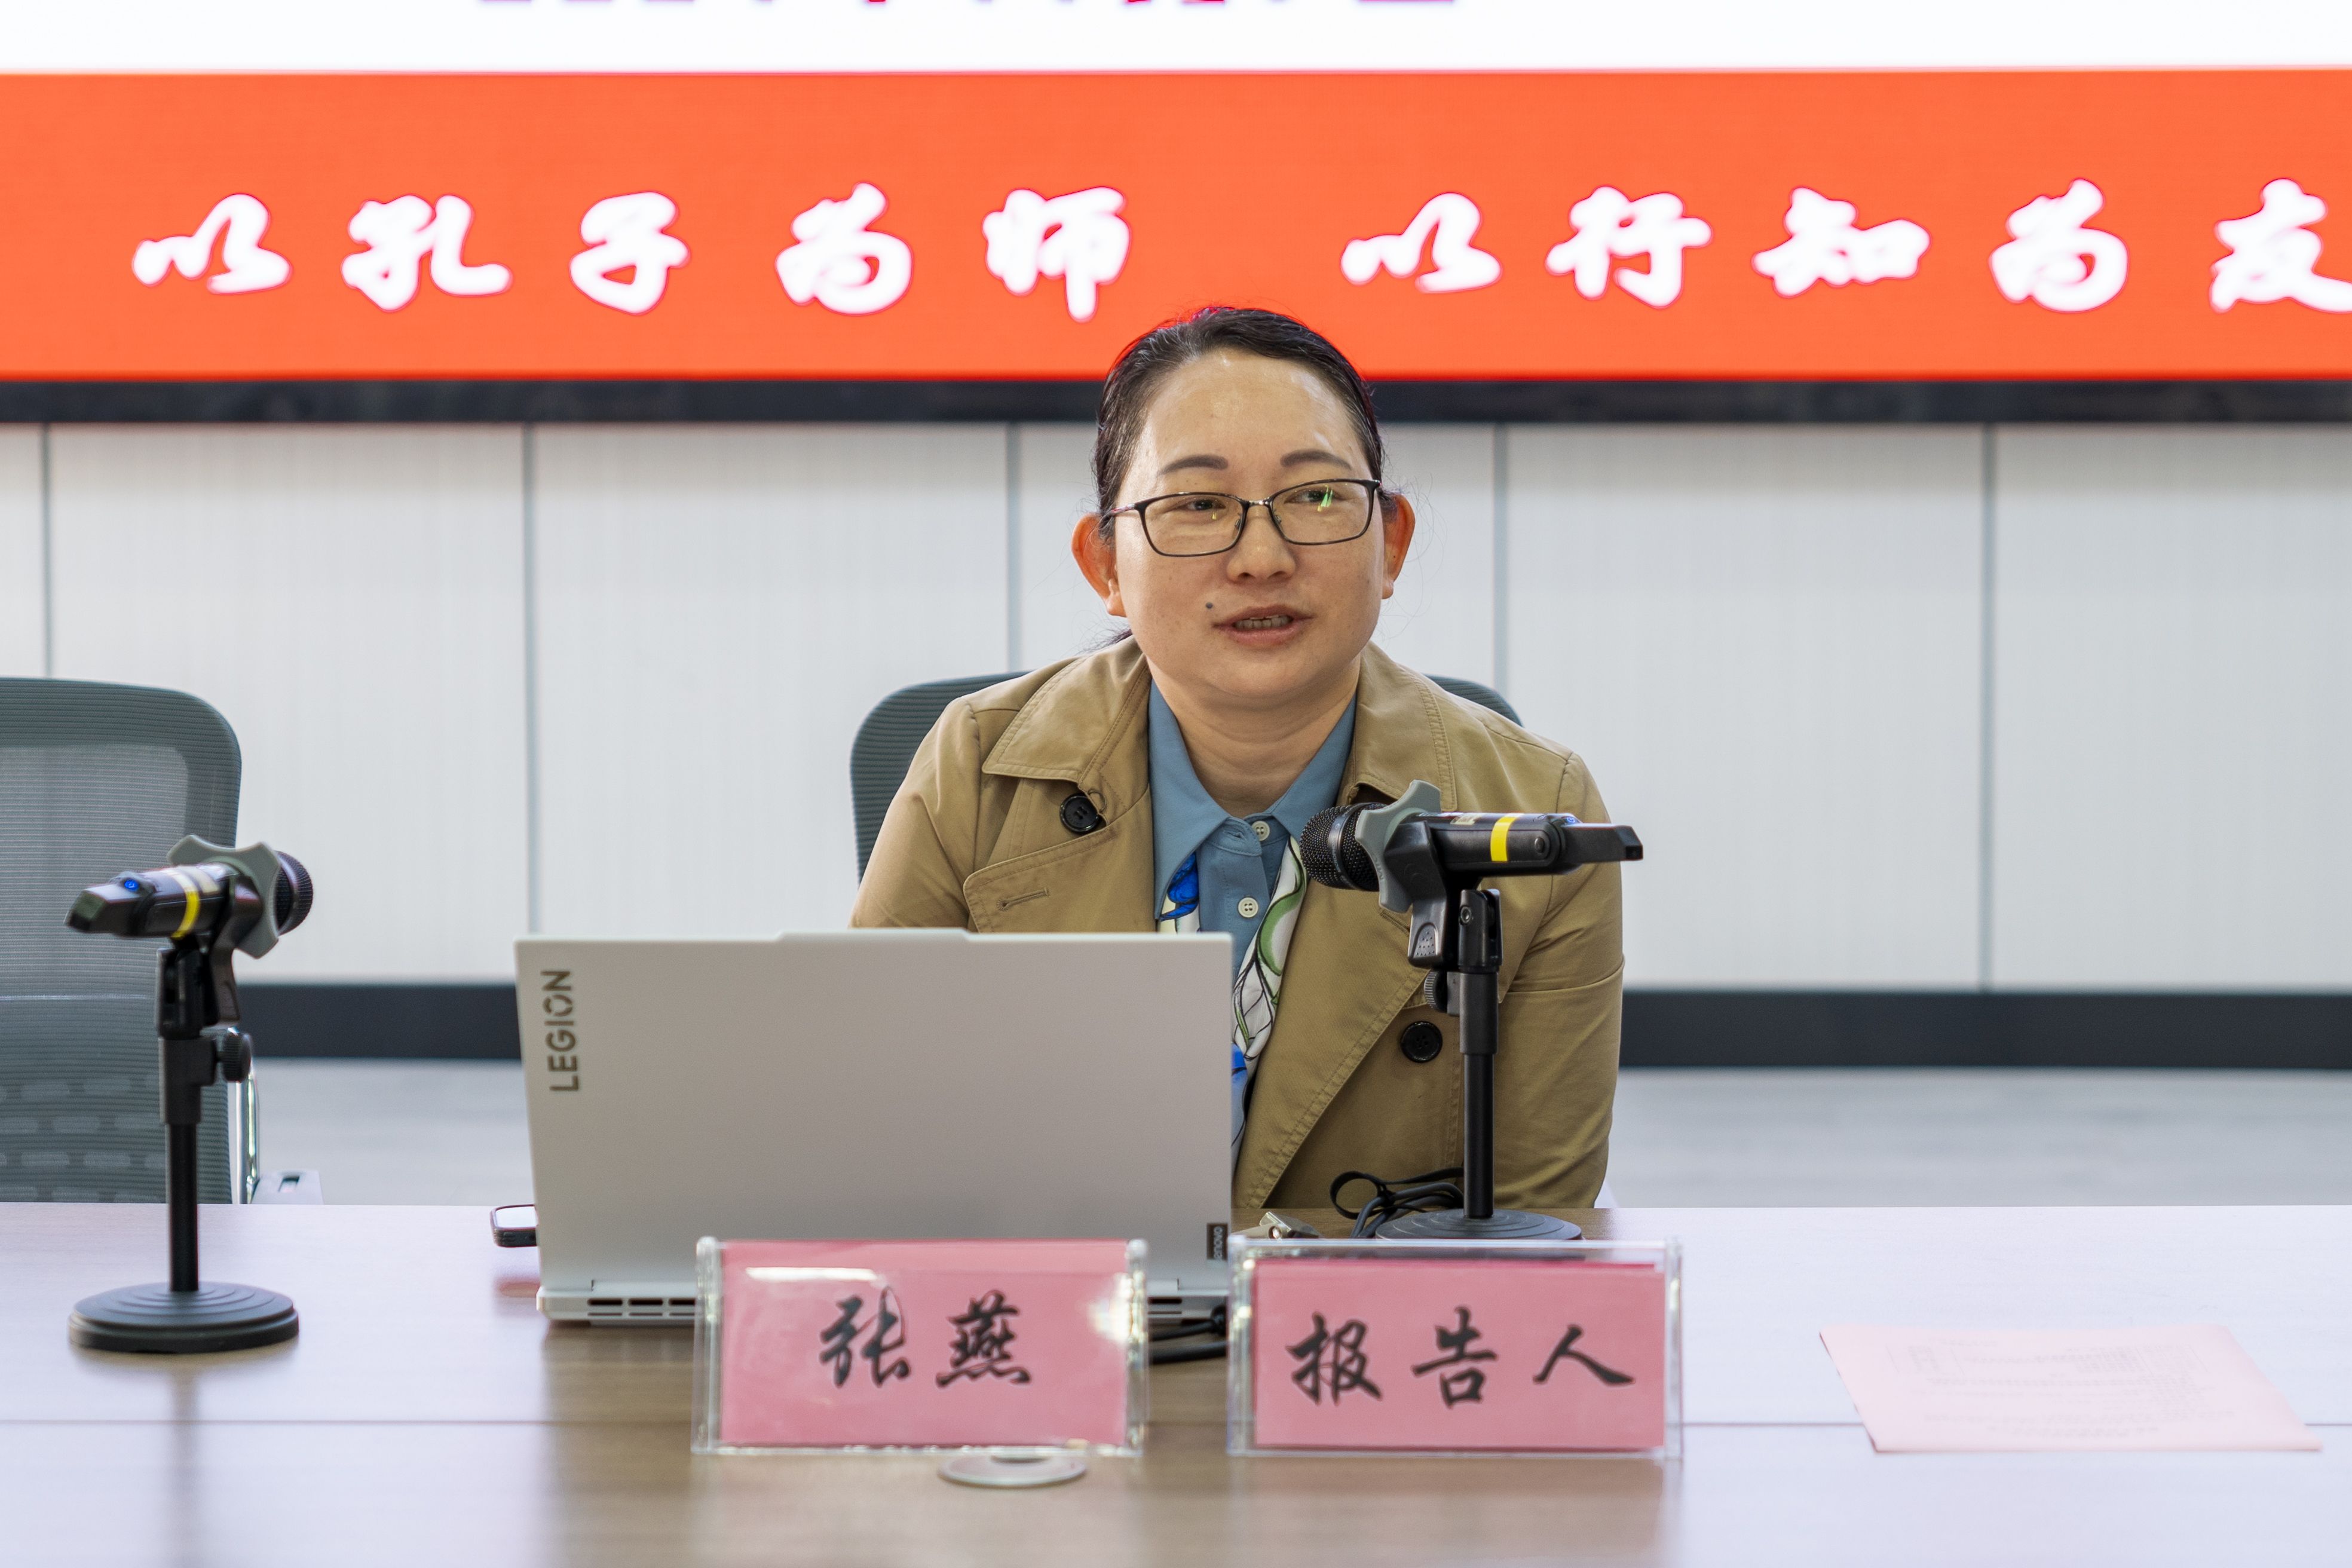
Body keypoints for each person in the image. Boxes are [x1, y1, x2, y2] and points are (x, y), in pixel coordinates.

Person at [852, 307, 1622, 1212]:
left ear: (1392, 544)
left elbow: (1537, 1221)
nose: (1262, 559)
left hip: (1374, 1304)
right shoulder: (977, 767)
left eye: (1317, 497)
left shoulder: (1542, 808)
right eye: (1197, 505)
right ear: (1105, 564)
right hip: (1063, 1298)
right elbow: (875, 1138)